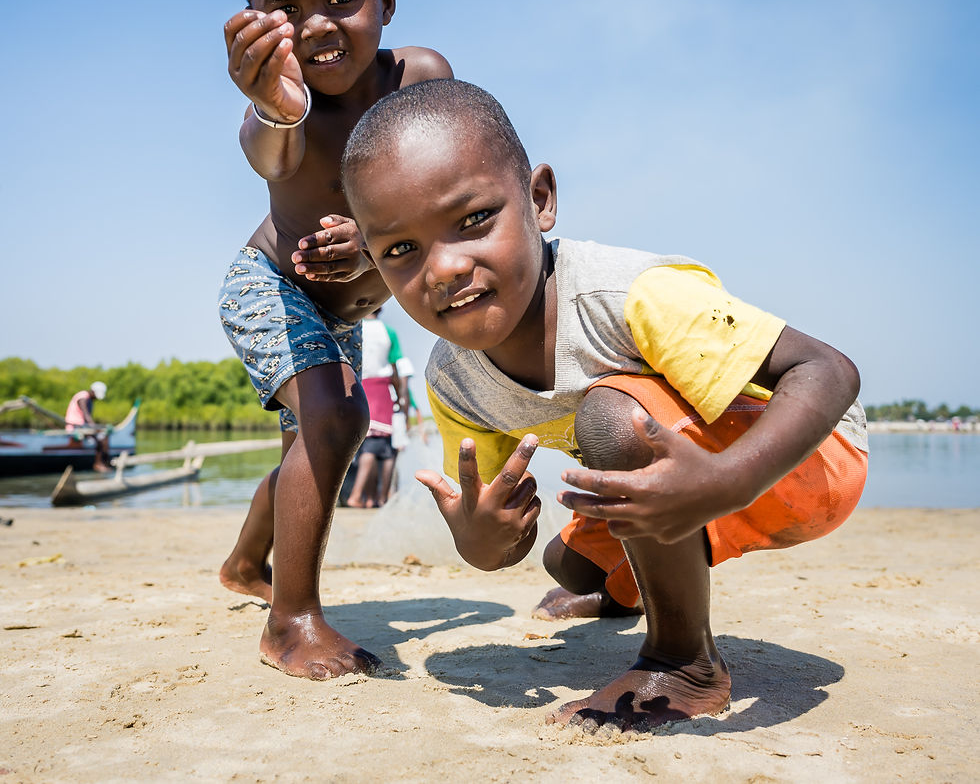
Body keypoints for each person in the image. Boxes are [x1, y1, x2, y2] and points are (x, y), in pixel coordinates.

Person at [341, 79, 868, 733]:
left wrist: (725, 480)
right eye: (400, 250)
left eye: (473, 219)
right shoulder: (454, 381)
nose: (444, 266)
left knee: (609, 417)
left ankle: (683, 661)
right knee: (569, 565)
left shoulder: (628, 296)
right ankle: (625, 593)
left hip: (804, 454)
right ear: (373, 264)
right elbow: (498, 535)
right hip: (688, 472)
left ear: (539, 201)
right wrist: (479, 538)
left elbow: (828, 370)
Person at [216, 0, 452, 681]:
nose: (316, 25)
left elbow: (436, 187)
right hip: (269, 285)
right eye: (285, 10)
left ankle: (248, 565)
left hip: (345, 309)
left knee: (308, 444)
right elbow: (270, 153)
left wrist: (377, 239)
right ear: (252, 18)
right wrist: (277, 109)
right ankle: (291, 620)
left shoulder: (417, 78)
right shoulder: (277, 111)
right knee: (337, 415)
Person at [345, 308, 406, 508]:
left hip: (356, 385)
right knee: (377, 444)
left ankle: (369, 498)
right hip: (379, 389)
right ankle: (358, 495)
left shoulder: (353, 328)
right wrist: (399, 397)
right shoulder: (387, 331)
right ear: (380, 307)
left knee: (368, 441)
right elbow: (395, 367)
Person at [65, 381, 111, 472]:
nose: (96, 399)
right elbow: (86, 415)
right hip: (75, 427)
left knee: (103, 435)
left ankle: (104, 462)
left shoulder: (88, 398)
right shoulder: (83, 397)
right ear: (92, 391)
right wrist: (94, 427)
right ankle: (98, 464)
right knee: (101, 437)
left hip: (82, 426)